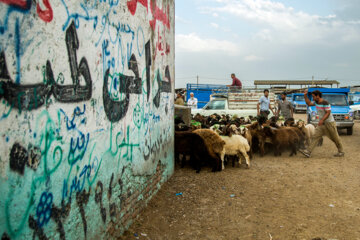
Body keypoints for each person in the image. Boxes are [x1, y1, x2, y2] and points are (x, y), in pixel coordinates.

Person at [299, 89, 344, 158]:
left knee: (335, 138)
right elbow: (309, 103)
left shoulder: (325, 103)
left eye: (314, 96)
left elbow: (328, 112)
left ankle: (341, 151)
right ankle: (308, 152)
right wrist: (305, 95)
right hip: (322, 124)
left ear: (318, 96)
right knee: (315, 136)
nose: (313, 98)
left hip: (329, 123)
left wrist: (322, 120)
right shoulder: (316, 102)